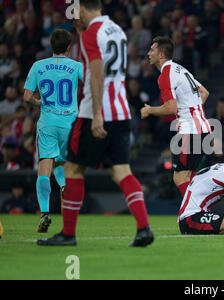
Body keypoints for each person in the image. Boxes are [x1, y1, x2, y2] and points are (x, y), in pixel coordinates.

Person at [37, 0, 153, 247]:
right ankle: (144, 228)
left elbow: (98, 72)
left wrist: (97, 114)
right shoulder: (117, 30)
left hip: (95, 112)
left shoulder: (92, 34)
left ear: (83, 9)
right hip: (121, 112)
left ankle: (68, 234)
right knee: (122, 171)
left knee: (72, 169)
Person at [23, 29, 83, 233]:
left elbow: (26, 96)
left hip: (47, 122)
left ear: (51, 46)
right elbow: (91, 83)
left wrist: (39, 101)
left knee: (44, 167)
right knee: (63, 164)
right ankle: (65, 191)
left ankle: (45, 213)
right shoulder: (76, 66)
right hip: (70, 123)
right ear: (68, 47)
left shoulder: (38, 66)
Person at [141, 36, 211, 199]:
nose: (148, 53)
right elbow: (204, 92)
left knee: (179, 178)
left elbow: (170, 108)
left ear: (161, 54)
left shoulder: (166, 74)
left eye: (152, 49)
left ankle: (197, 212)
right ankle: (202, 208)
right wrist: (192, 109)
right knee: (188, 178)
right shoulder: (180, 69)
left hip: (191, 132)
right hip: (202, 129)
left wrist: (150, 110)